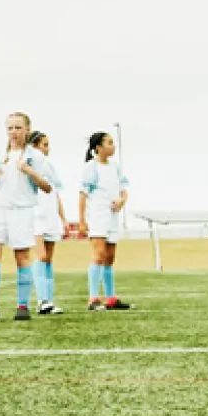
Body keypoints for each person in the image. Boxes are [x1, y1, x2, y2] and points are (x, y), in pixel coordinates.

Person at [0, 113, 56, 321]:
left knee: (21, 257)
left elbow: (48, 187)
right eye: (10, 128)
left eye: (18, 127)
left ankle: (22, 305)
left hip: (21, 211)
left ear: (27, 130)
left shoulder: (35, 157)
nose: (14, 132)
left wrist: (29, 171)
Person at [77, 131, 131, 309]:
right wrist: (82, 221)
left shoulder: (115, 167)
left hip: (113, 218)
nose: (113, 145)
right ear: (98, 148)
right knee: (98, 255)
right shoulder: (91, 168)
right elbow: (83, 195)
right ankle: (93, 298)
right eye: (109, 143)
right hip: (98, 217)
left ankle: (111, 298)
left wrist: (122, 201)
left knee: (110, 257)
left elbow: (124, 189)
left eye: (113, 142)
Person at [28, 131, 69, 314]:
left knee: (49, 259)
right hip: (35, 216)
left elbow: (55, 194)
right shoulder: (28, 164)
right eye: (44, 144)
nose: (47, 148)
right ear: (34, 146)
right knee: (41, 256)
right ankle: (42, 300)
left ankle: (49, 301)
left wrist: (63, 218)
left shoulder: (49, 166)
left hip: (51, 216)